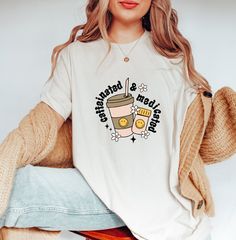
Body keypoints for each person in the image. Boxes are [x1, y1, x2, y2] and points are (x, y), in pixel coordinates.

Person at [2, 0, 233, 239]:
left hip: (163, 204)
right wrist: (7, 156)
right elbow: (43, 122)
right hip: (101, 193)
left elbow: (200, 141)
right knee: (16, 183)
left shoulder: (174, 59)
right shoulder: (76, 56)